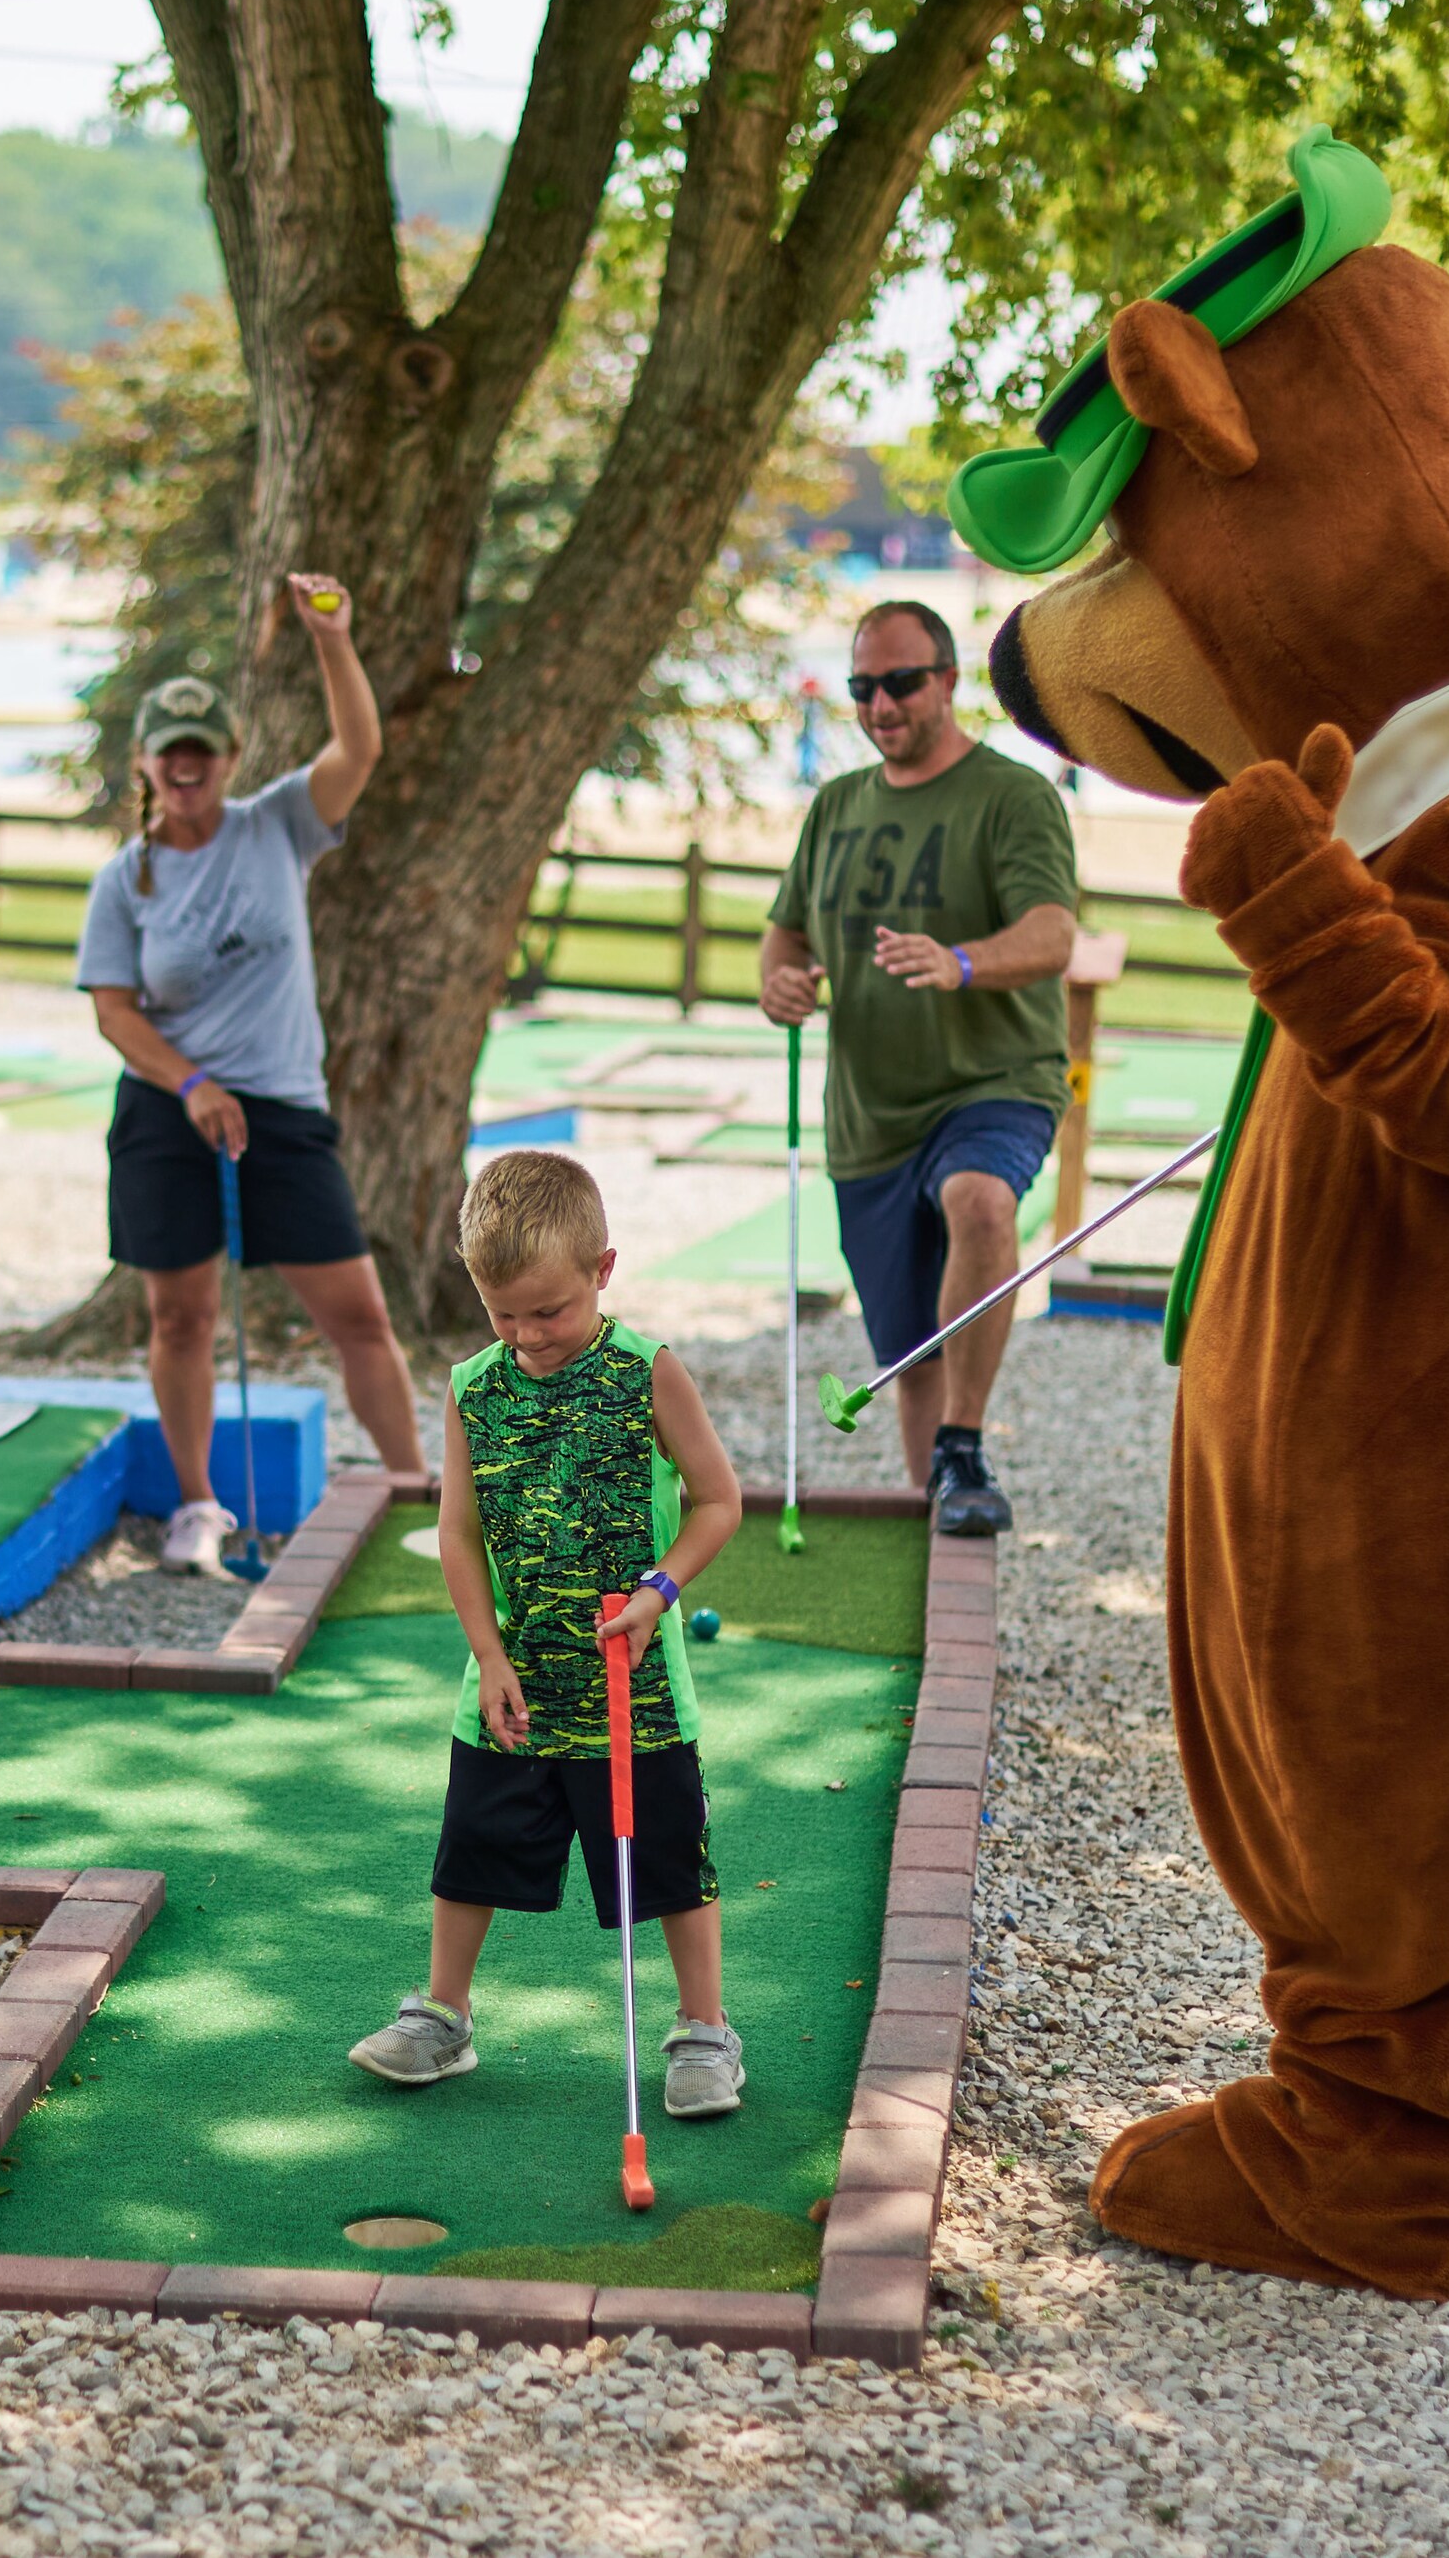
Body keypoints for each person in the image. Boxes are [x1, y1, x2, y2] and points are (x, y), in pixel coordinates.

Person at [348, 1151, 747, 2120]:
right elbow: (457, 1528)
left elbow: (718, 1500)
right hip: (514, 1683)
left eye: (549, 1311)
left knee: (669, 1864)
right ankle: (444, 2016)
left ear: (603, 1269)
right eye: (504, 1314)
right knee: (471, 1850)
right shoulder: (473, 1387)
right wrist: (487, 1655)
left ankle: (705, 2030)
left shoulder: (644, 1372)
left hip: (633, 1685)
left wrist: (659, 1588)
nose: (527, 1335)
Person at [76, 575, 422, 1575]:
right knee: (179, 1316)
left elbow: (359, 748)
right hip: (167, 1114)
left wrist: (333, 639)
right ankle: (197, 1507)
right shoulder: (126, 878)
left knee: (358, 1314)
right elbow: (113, 1010)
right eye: (170, 753)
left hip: (282, 1110)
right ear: (146, 761)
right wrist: (190, 1084)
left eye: (205, 751)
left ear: (229, 758)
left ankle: (413, 1494)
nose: (188, 767)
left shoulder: (277, 824)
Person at [758, 599, 1079, 1534]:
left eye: (899, 682)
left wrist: (963, 961)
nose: (879, 704)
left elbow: (1054, 931)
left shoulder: (1013, 796)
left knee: (980, 1200)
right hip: (869, 1116)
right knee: (908, 1358)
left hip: (995, 1081)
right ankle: (934, 1521)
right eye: (862, 687)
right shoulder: (836, 806)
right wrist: (780, 982)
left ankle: (964, 1445)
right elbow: (785, 932)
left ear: (947, 679)